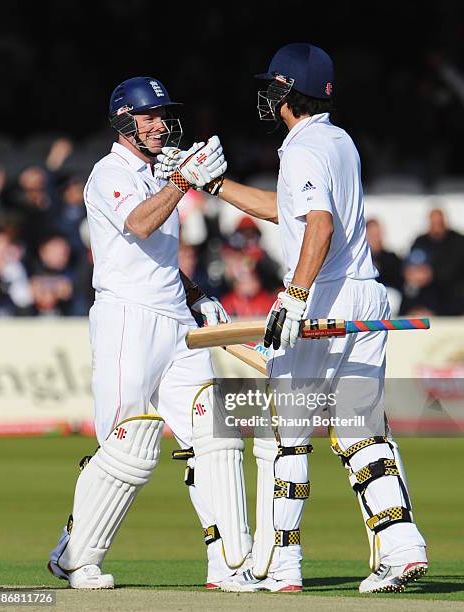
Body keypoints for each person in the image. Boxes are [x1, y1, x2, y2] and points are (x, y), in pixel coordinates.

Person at [159, 43, 428, 594]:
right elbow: (285, 209)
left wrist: (296, 296)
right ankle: (402, 548)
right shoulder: (337, 140)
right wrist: (214, 186)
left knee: (290, 435)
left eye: (271, 87)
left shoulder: (302, 148)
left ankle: (284, 567)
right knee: (360, 430)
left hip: (324, 300)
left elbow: (319, 226)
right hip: (364, 295)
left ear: (285, 91)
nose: (266, 96)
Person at [47, 76, 251, 589]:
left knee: (215, 431)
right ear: (123, 122)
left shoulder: (159, 175)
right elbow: (138, 225)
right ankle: (76, 556)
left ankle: (230, 563)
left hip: (175, 322)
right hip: (127, 320)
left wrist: (197, 293)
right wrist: (182, 184)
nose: (161, 124)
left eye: (164, 115)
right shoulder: (107, 173)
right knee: (128, 444)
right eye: (149, 116)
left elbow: (156, 258)